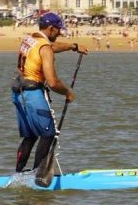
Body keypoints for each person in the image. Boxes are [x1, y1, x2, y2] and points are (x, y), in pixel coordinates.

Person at [11, 12, 88, 187]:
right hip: (32, 93)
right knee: (49, 133)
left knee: (30, 136)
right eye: (58, 29)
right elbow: (53, 82)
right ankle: (38, 175)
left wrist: (73, 46)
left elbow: (50, 46)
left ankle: (19, 174)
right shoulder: (44, 47)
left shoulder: (31, 38)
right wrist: (67, 92)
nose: (60, 33)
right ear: (51, 28)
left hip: (18, 92)